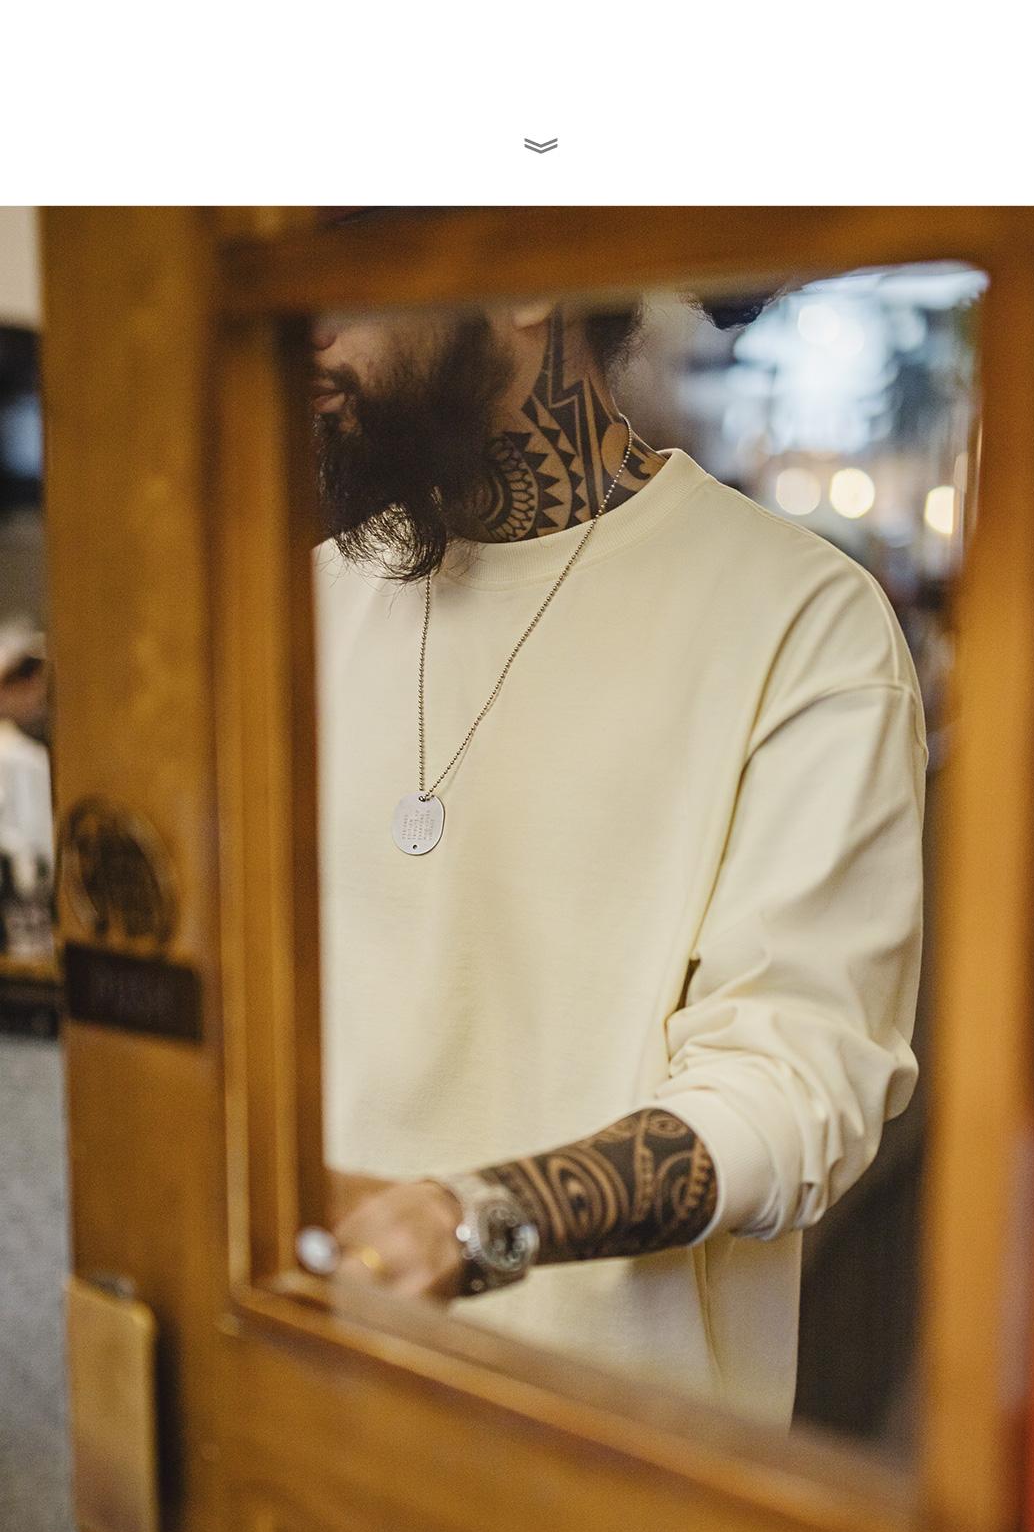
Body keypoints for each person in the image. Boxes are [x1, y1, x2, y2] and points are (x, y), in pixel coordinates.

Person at [306, 294, 927, 1429]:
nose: (308, 326)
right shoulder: (303, 603)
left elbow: (794, 1085)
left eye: (352, 260)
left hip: (612, 1450)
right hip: (298, 1399)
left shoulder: (800, 622)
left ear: (527, 284)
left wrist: (470, 1219)